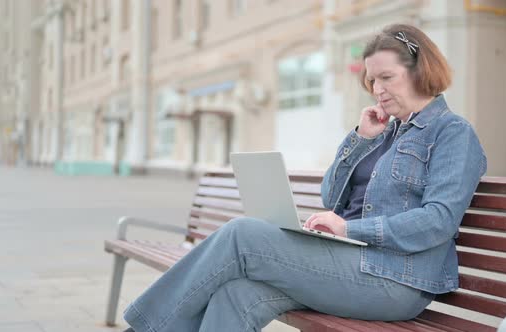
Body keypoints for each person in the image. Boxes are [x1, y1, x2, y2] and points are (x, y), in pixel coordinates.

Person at [122, 23, 487, 332]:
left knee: (242, 235)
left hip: (398, 280)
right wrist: (359, 140)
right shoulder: (385, 132)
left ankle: (145, 327)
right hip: (350, 264)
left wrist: (349, 230)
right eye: (372, 80)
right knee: (236, 293)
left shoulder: (452, 132)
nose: (377, 90)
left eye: (387, 77)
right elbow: (331, 196)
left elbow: (438, 221)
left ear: (420, 70)